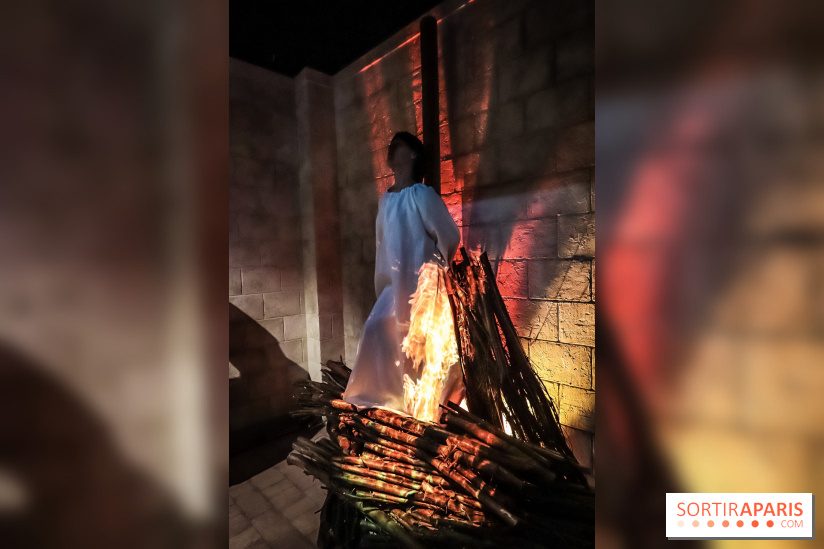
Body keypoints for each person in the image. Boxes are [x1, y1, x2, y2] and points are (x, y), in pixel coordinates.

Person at [343, 132, 462, 413]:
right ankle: (389, 402)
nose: (392, 148)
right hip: (392, 287)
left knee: (421, 347)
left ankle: (428, 407)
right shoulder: (385, 200)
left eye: (400, 145)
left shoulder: (422, 194)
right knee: (378, 331)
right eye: (391, 145)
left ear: (412, 155)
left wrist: (437, 271)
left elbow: (449, 236)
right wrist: (385, 283)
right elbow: (381, 244)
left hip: (421, 288)